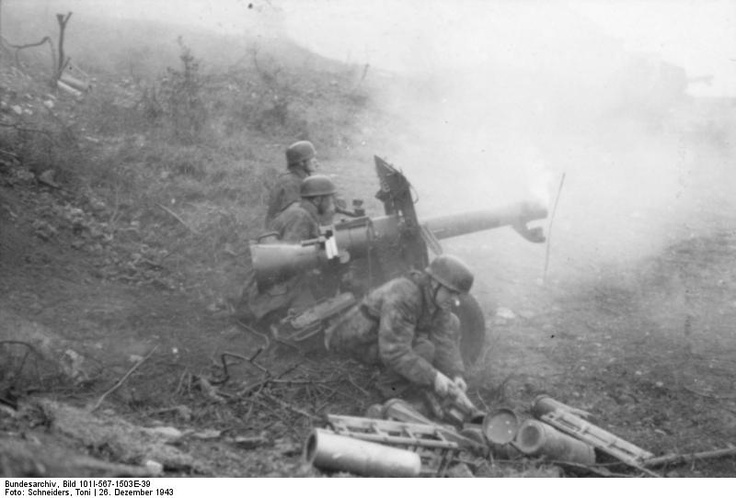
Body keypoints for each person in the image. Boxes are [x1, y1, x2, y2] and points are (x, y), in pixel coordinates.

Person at [325, 254, 474, 404]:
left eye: (457, 294)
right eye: (451, 292)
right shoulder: (405, 294)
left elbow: (444, 338)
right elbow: (394, 351)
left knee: (452, 322)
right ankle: (386, 392)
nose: (454, 299)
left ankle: (427, 380)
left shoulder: (438, 298)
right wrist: (433, 376)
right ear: (435, 283)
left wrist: (456, 374)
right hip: (355, 343)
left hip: (381, 337)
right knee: (425, 348)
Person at [234, 175, 337, 325]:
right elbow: (290, 261)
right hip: (264, 291)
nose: (334, 204)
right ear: (317, 200)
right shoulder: (300, 218)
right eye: (331, 199)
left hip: (267, 281)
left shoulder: (299, 209)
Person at [265, 141, 319, 227]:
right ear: (301, 163)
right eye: (312, 158)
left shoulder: (298, 178)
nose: (316, 162)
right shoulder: (290, 182)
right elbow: (296, 214)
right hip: (281, 233)